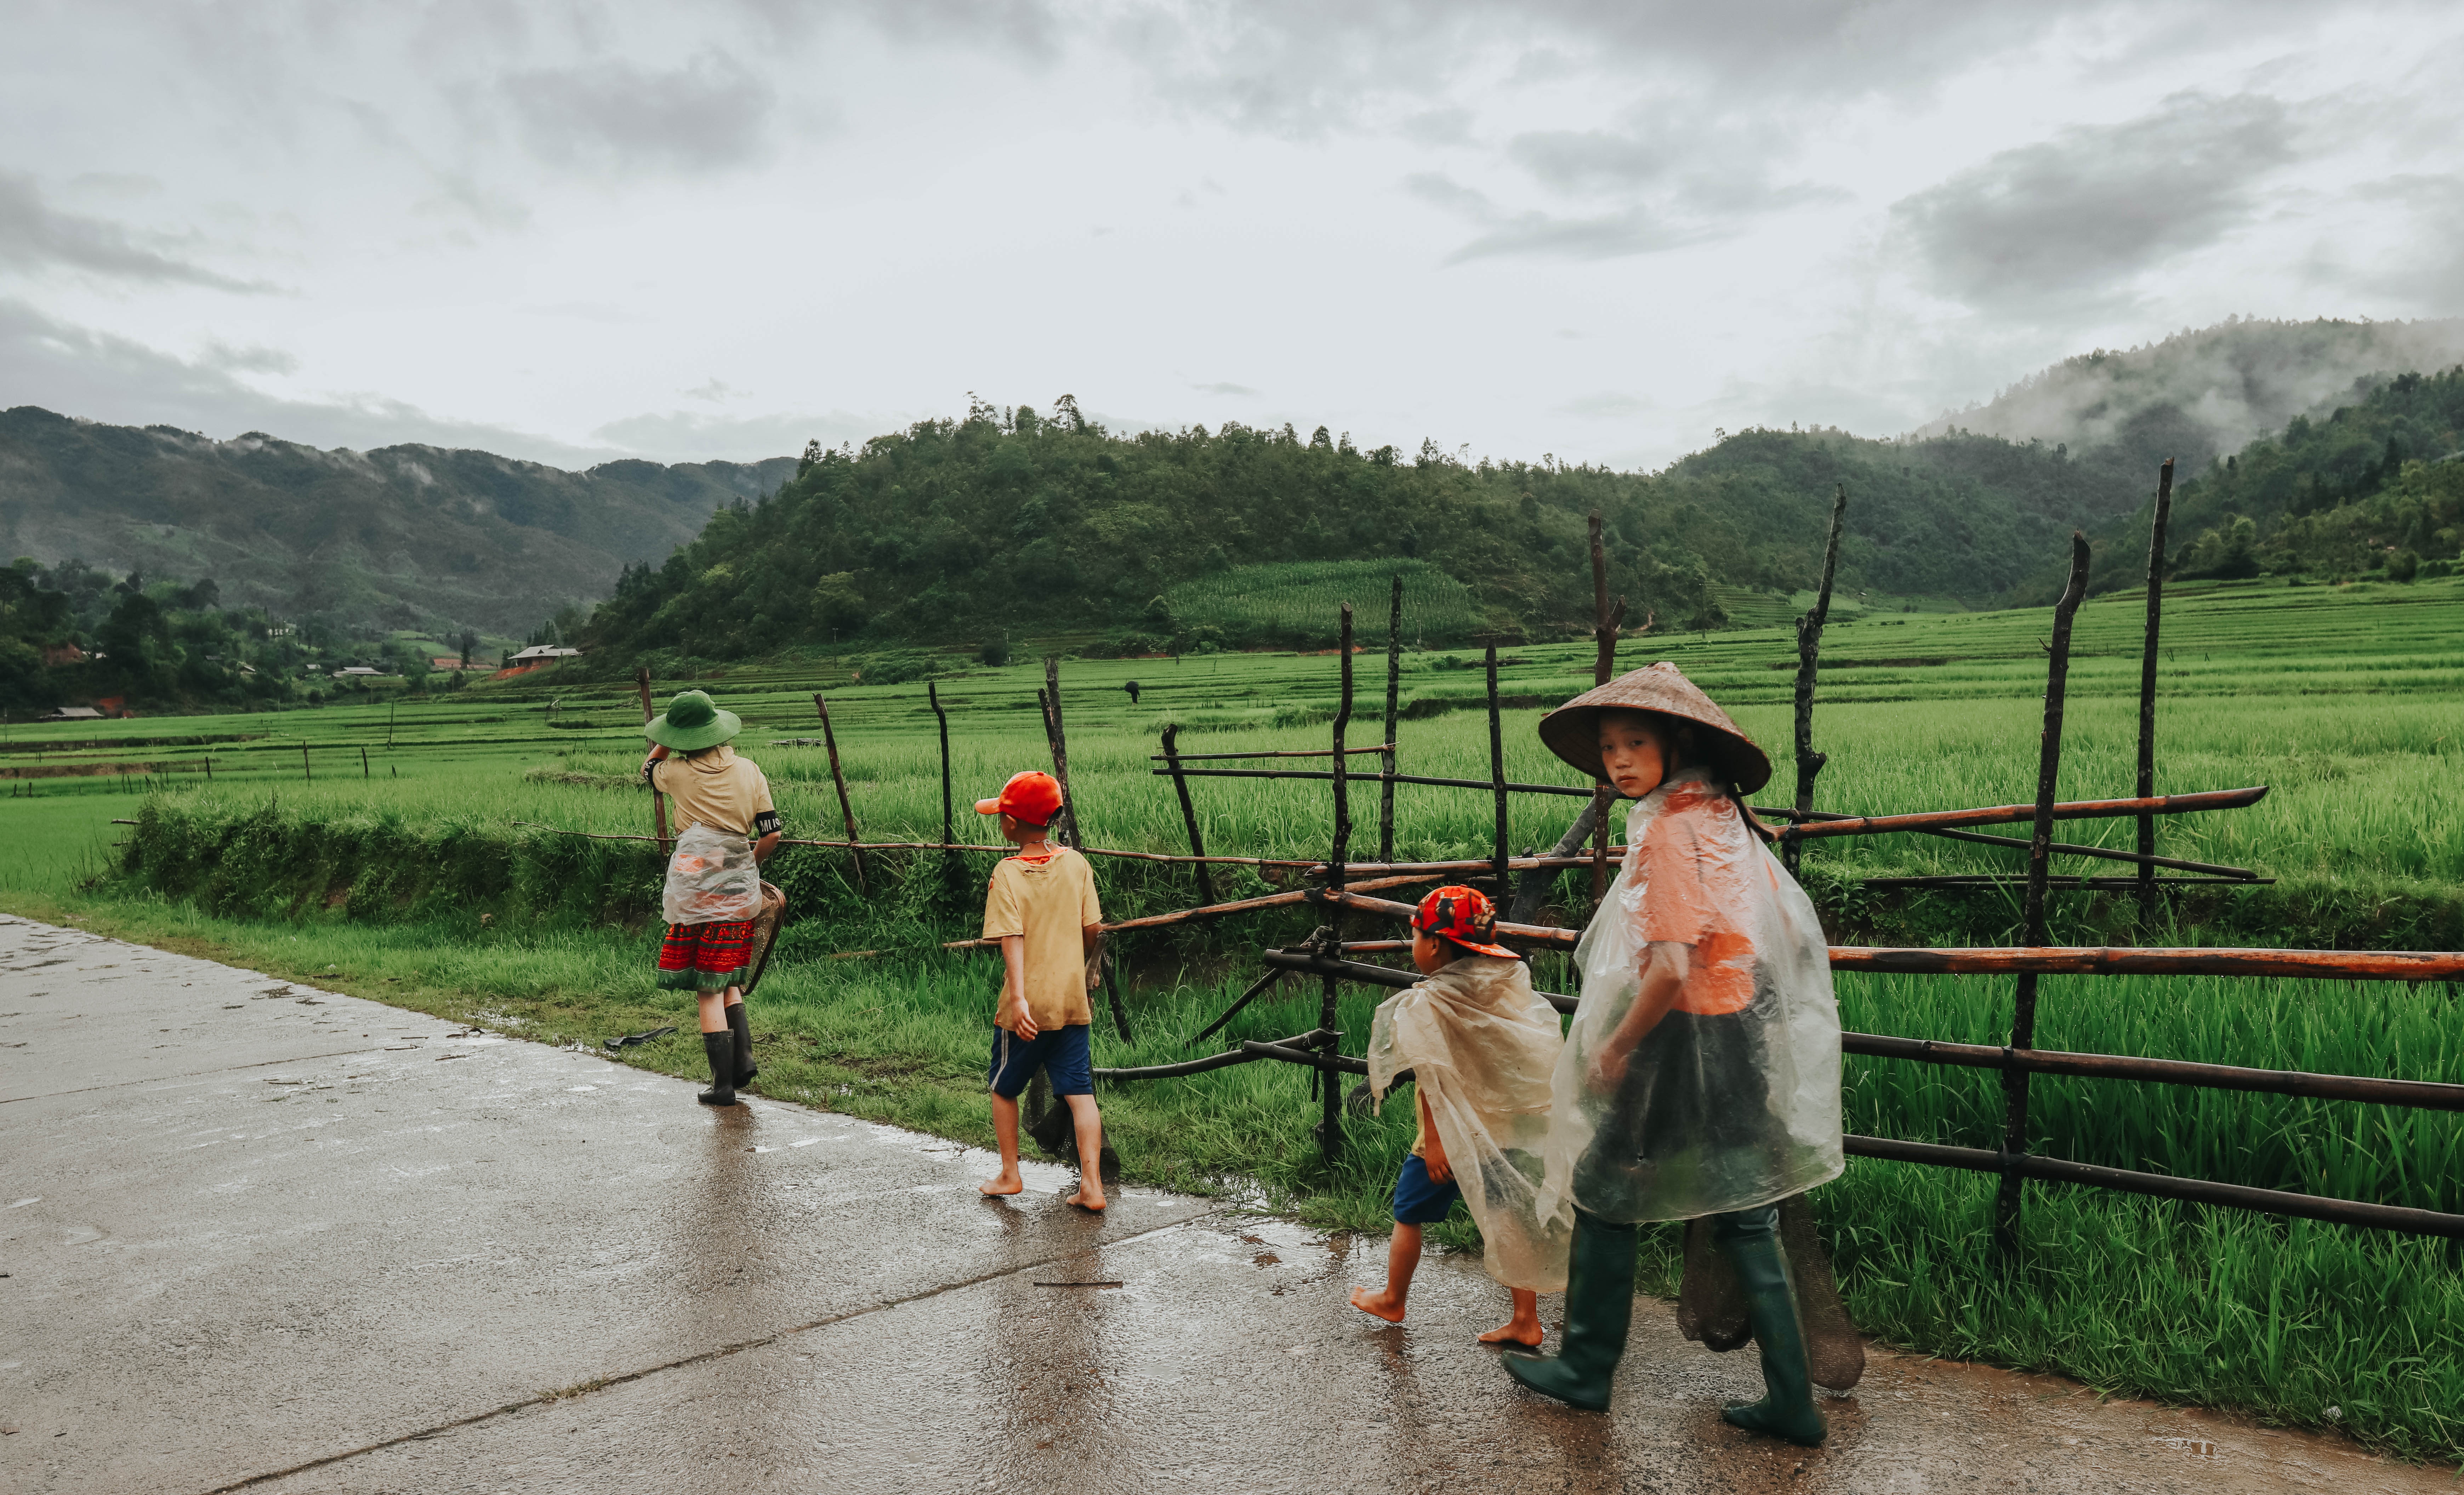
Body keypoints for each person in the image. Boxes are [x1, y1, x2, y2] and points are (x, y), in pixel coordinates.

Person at [1501, 662, 1843, 1447]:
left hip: (1677, 1037)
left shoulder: (1664, 829)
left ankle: (1585, 1367)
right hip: (1737, 1034)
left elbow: (1666, 967)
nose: (1617, 759)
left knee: (1600, 1190)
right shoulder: (1723, 815)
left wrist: (1615, 1046)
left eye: (1634, 742)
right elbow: (1775, 935)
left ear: (1676, 742)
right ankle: (1791, 1400)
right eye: (1607, 747)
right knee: (1747, 1209)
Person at [1350, 884, 1569, 1347]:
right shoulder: (1498, 988)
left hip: (1446, 1133)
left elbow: (1433, 1076)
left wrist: (1435, 1142)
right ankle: (1525, 1319)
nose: (1413, 945)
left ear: (1433, 944)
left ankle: (1392, 1298)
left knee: (1407, 1213)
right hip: (1499, 1129)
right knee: (1507, 1214)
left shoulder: (1432, 1001)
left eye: (1415, 936)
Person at [973, 770, 1109, 1212]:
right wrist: (1083, 969)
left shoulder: (1007, 873)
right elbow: (1094, 929)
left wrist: (1017, 998)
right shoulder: (1076, 864)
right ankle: (1092, 1185)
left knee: (1003, 1087)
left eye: (1001, 815)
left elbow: (1011, 936)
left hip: (1027, 1007)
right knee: (1080, 1093)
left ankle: (1010, 1173)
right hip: (1071, 1001)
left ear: (1011, 823)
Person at [642, 689, 781, 1108]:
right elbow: (772, 832)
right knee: (727, 973)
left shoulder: (676, 772)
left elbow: (647, 768)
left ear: (682, 737)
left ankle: (722, 1084)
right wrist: (745, 866)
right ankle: (744, 1059)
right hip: (737, 880)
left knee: (707, 985)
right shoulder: (749, 770)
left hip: (693, 880)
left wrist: (666, 740)